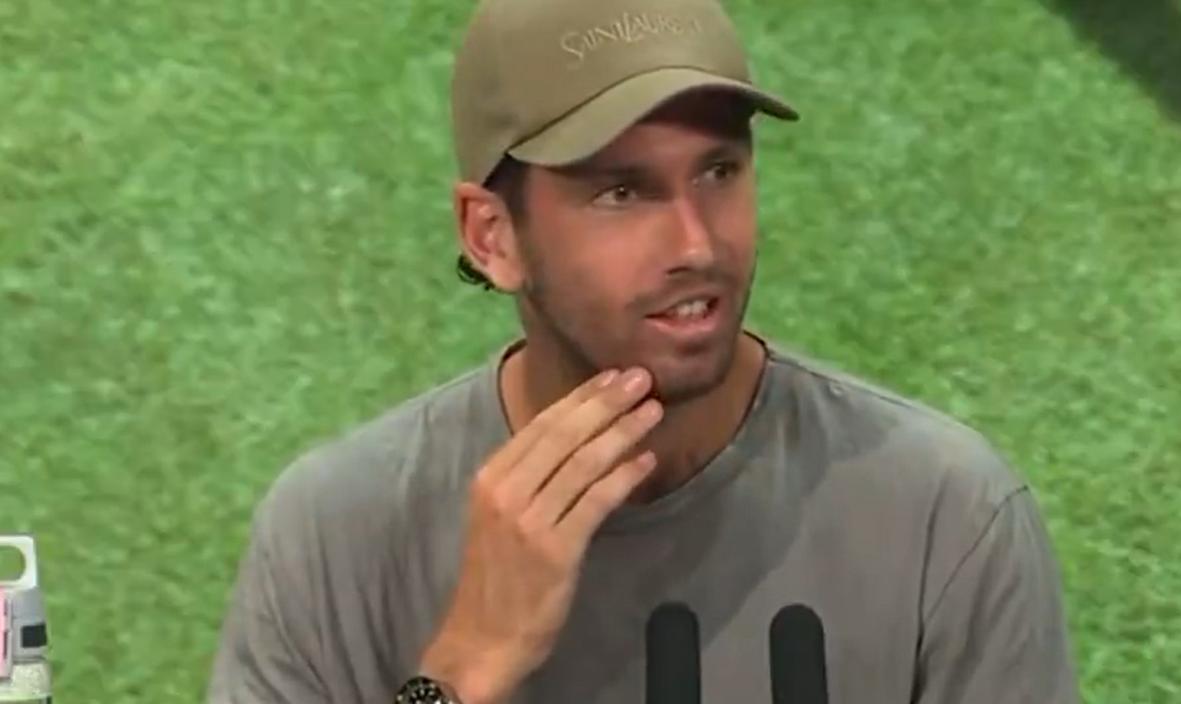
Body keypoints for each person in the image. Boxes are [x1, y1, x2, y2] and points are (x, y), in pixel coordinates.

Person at [207, 0, 1081, 701]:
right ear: (492, 235)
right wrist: (462, 673)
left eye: (718, 172)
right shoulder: (336, 538)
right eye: (621, 192)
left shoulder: (942, 516)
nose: (697, 243)